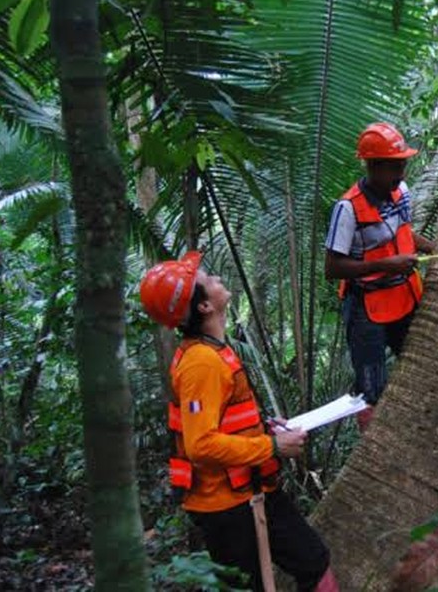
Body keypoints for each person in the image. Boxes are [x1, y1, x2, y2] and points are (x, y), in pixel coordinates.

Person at [139, 251, 337, 592]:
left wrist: (264, 428)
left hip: (254, 491)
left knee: (314, 561)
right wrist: (272, 445)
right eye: (208, 280)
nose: (217, 279)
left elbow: (224, 419)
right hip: (227, 508)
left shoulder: (214, 349)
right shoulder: (201, 362)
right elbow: (201, 445)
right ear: (204, 307)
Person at [324, 122, 435, 430]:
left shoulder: (402, 192)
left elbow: (403, 232)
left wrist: (432, 247)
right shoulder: (347, 209)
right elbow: (332, 267)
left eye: (403, 165)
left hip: (405, 297)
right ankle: (375, 440)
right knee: (371, 387)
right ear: (373, 166)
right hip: (367, 310)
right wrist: (386, 265)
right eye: (394, 167)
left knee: (420, 366)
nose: (401, 174)